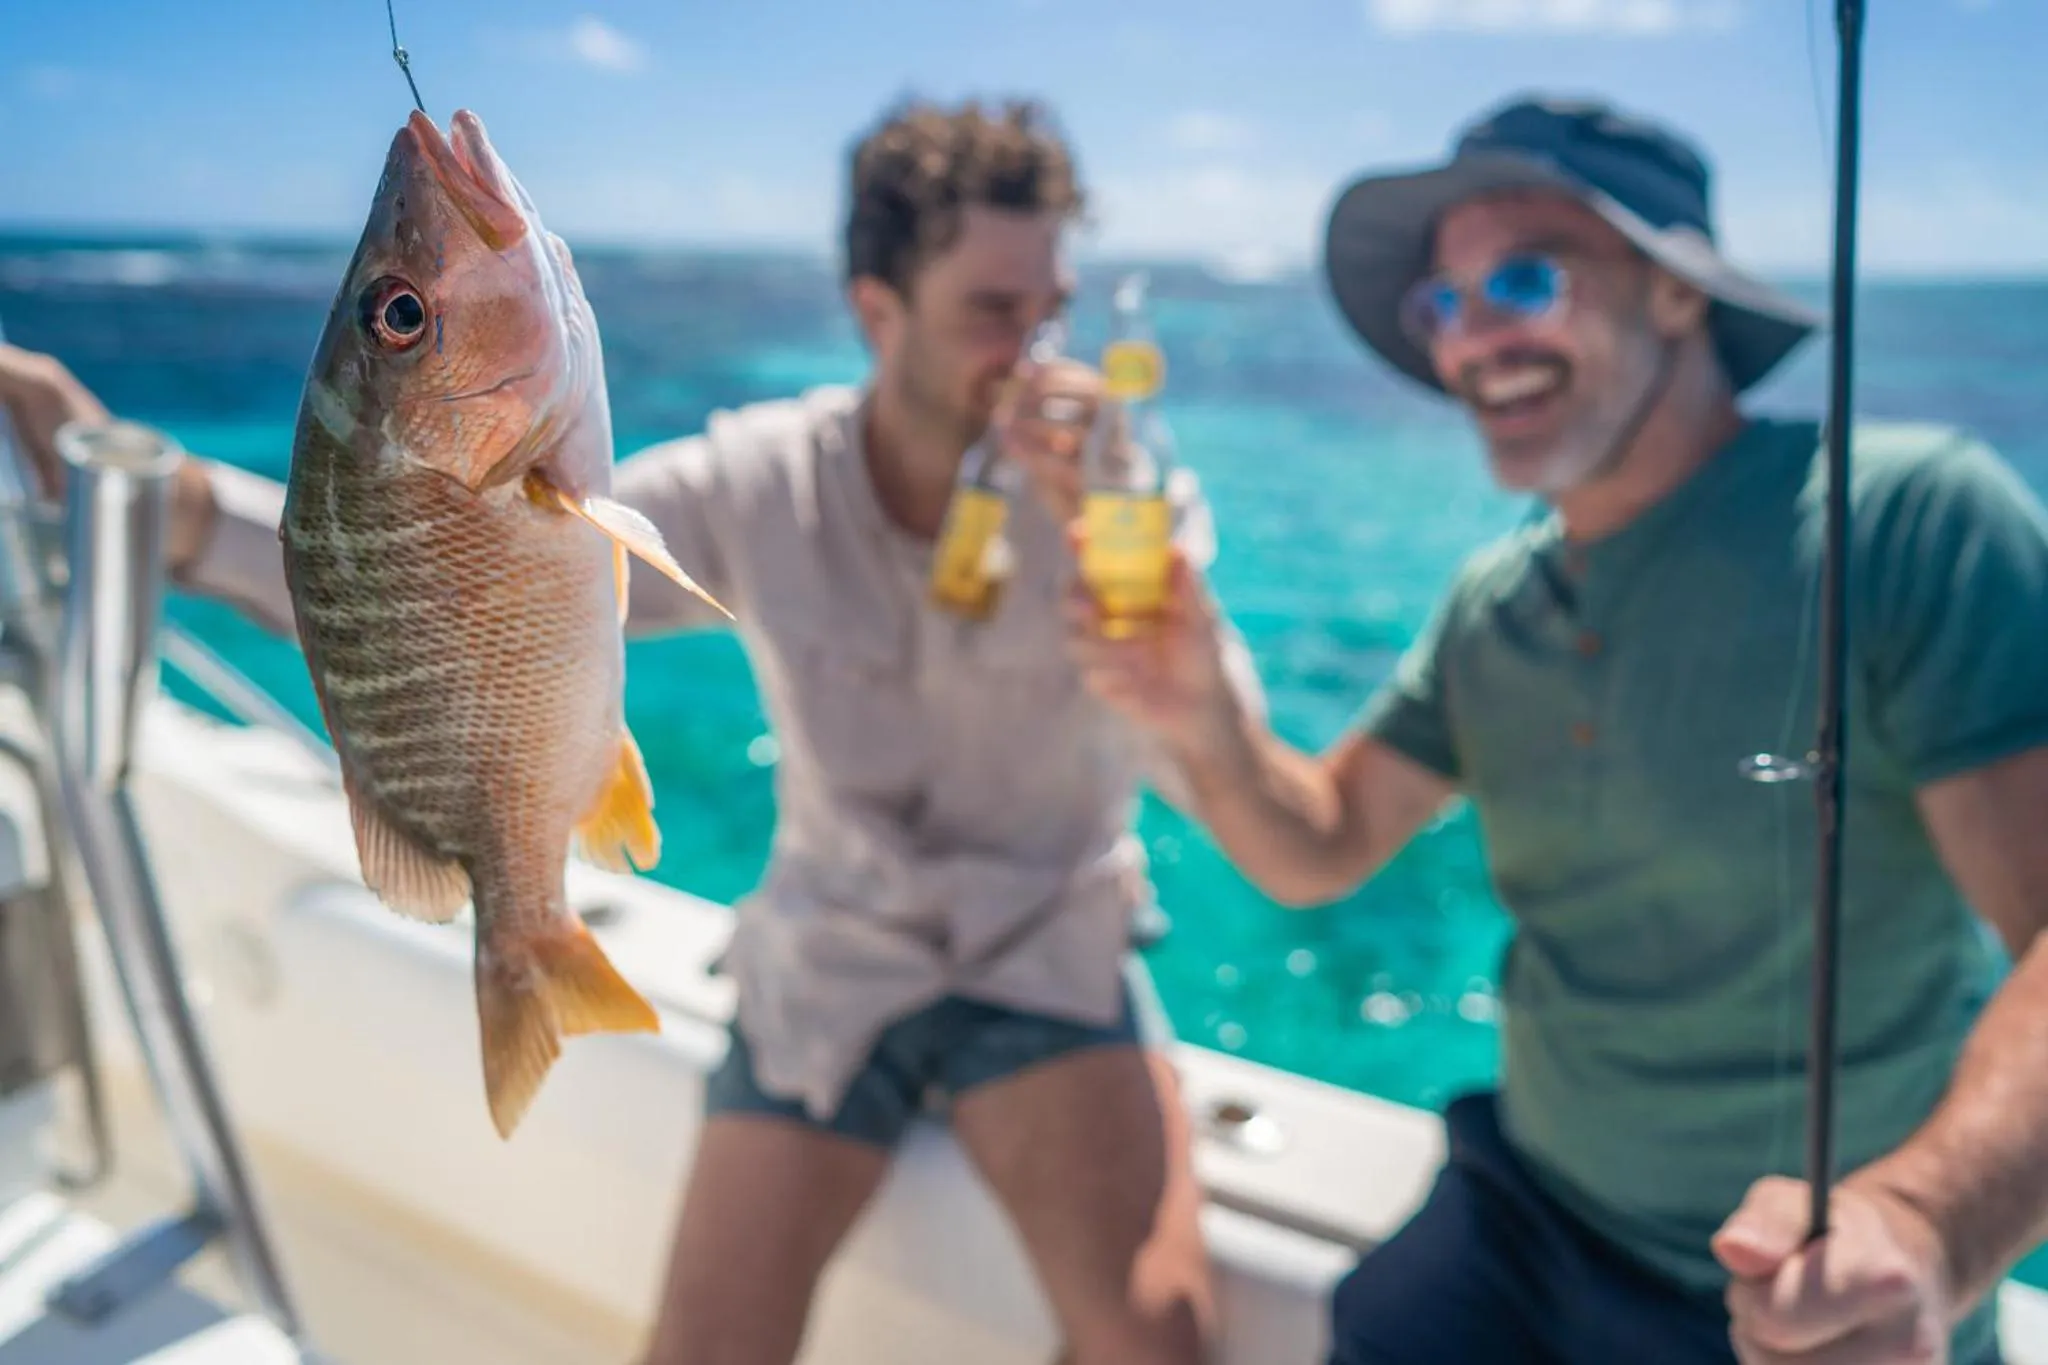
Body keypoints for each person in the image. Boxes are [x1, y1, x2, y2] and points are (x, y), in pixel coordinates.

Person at [1, 96, 1265, 1365]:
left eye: (1052, 306)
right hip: (833, 963)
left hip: (1045, 957)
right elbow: (402, 593)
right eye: (995, 313)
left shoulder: (1126, 505)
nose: (1039, 348)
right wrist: (140, 490)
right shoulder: (762, 477)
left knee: (1158, 1342)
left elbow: (1253, 805)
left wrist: (1161, 611)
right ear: (879, 313)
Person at [1066, 93, 2048, 1365]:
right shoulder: (1491, 606)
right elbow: (1318, 843)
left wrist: (1922, 1226)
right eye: (1442, 304)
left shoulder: (1909, 519)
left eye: (1525, 279)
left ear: (1679, 293)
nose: (1471, 338)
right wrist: (1199, 710)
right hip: (1520, 1213)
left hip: (1805, 1295)